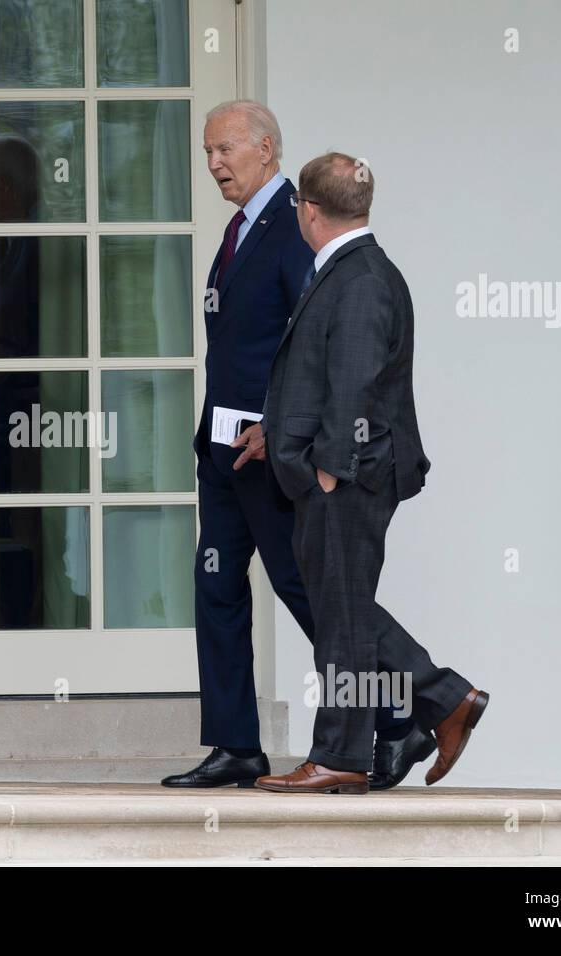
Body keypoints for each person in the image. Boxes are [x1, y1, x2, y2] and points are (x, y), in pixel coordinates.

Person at [162, 103, 425, 791]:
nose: (214, 162)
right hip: (221, 450)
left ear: (267, 149)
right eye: (207, 151)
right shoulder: (241, 227)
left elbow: (320, 345)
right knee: (216, 588)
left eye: (226, 149)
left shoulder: (299, 228)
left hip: (269, 454)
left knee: (315, 595)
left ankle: (400, 714)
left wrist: (278, 428)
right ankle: (235, 745)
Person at [252, 152, 488, 794]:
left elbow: (352, 382)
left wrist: (329, 470)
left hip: (348, 475)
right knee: (344, 613)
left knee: (343, 618)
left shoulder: (358, 278)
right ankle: (442, 701)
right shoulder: (356, 269)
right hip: (344, 469)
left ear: (307, 208)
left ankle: (341, 754)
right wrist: (278, 436)